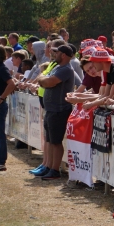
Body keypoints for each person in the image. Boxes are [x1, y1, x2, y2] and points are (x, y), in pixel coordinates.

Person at [33, 44, 76, 181]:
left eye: (57, 53)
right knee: (50, 140)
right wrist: (42, 79)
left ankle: (54, 169)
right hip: (51, 109)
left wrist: (42, 80)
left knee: (56, 141)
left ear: (63, 55)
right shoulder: (57, 67)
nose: (54, 55)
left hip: (59, 109)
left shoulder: (65, 69)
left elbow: (49, 82)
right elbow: (44, 78)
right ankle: (48, 166)